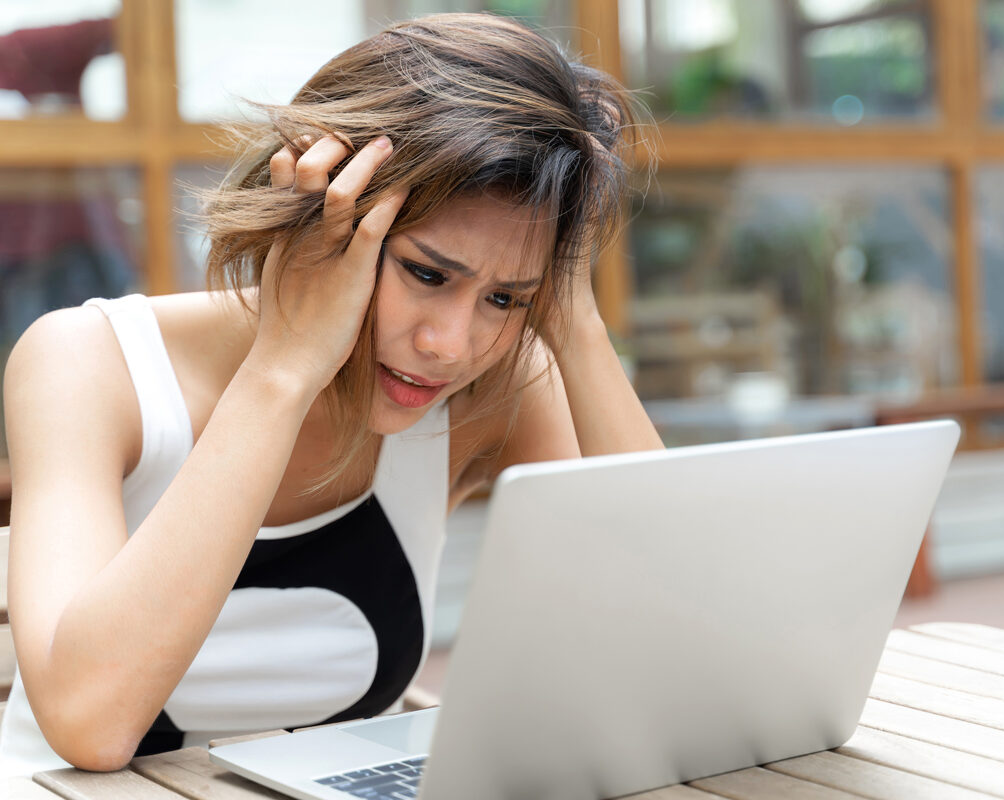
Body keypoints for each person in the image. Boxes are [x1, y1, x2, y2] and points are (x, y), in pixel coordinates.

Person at [0, 12, 662, 776]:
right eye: (426, 273)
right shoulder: (91, 361)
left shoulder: (496, 385)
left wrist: (571, 313)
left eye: (505, 299)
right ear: (319, 207)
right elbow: (90, 724)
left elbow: (664, 638)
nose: (450, 344)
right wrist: (284, 368)